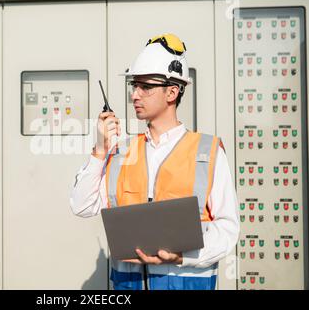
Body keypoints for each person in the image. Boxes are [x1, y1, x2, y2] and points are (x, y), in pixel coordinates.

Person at [70, 33, 240, 290]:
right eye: (134, 86)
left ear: (172, 92)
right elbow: (82, 206)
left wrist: (183, 256)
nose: (135, 95)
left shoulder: (208, 152)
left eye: (145, 87)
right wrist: (100, 149)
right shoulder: (120, 152)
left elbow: (228, 229)